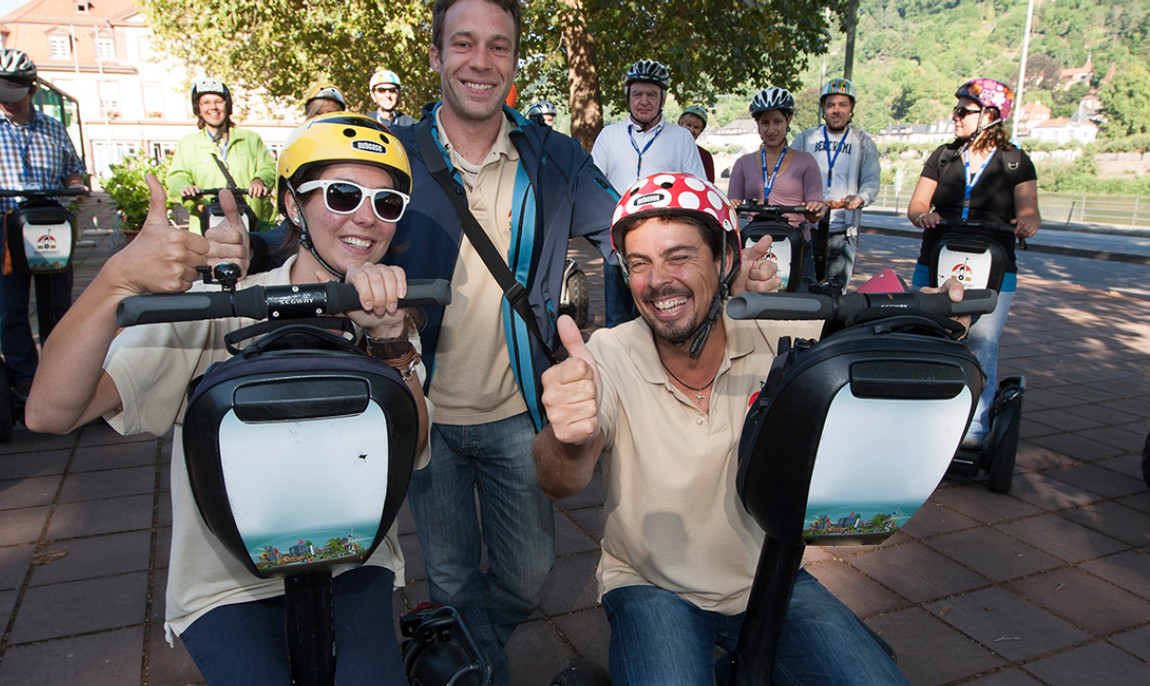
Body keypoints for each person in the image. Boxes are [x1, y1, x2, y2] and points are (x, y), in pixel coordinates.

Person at [24, 112, 429, 684]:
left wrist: (390, 345)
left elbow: (414, 450)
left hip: (350, 560)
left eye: (386, 204)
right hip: (227, 580)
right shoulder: (217, 308)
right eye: (342, 194)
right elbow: (51, 412)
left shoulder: (387, 313)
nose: (366, 217)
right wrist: (117, 280)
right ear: (293, 205)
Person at [533, 172, 942, 686]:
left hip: (769, 574)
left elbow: (864, 333)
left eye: (680, 257)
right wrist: (566, 435)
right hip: (651, 583)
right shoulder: (608, 356)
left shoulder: (776, 333)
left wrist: (926, 316)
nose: (658, 279)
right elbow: (559, 481)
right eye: (639, 263)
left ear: (725, 260)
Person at [380, 1, 618, 682]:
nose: (480, 61)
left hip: (521, 412)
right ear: (435, 56)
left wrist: (718, 251)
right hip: (427, 414)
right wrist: (242, 246)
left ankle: (457, 647)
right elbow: (322, 230)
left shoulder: (553, 156)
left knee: (530, 571)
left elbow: (631, 228)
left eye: (498, 46)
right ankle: (477, 668)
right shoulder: (392, 153)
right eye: (462, 43)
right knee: (451, 575)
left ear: (514, 60)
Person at [907, 78, 1040, 449]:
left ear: (990, 116)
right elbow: (916, 206)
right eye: (956, 110)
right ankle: (920, 411)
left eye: (964, 111)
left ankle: (975, 424)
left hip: (993, 263)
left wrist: (1027, 223)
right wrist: (924, 217)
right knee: (928, 332)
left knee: (982, 340)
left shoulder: (1014, 161)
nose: (956, 117)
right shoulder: (943, 156)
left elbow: (1030, 212)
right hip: (938, 257)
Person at [0, 48, 86, 401]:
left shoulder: (52, 127)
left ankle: (59, 372)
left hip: (49, 226)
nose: (10, 103)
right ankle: (23, 378)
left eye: (17, 96)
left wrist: (75, 185)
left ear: (32, 90)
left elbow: (72, 169)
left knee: (57, 305)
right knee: (10, 307)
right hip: (6, 228)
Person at [592, 59, 705, 326]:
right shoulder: (609, 136)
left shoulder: (681, 138)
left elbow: (696, 188)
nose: (644, 101)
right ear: (628, 97)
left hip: (664, 243)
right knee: (617, 319)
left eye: (651, 94)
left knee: (661, 315)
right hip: (618, 242)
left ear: (663, 99)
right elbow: (593, 186)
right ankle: (616, 367)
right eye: (637, 94)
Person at [790, 78, 880, 288]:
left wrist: (860, 197)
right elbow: (790, 173)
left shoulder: (862, 142)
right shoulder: (807, 138)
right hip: (808, 228)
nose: (836, 110)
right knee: (804, 288)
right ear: (823, 108)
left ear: (851, 109)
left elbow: (872, 179)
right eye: (830, 105)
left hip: (843, 230)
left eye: (842, 105)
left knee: (836, 291)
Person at [165, 78, 277, 232]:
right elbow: (176, 176)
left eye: (218, 101)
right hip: (209, 225)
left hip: (254, 224)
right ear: (198, 108)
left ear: (228, 105)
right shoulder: (188, 144)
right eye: (206, 103)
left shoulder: (250, 139)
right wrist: (185, 188)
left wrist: (260, 180)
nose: (213, 107)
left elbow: (268, 167)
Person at [727, 87, 825, 234]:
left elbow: (816, 214)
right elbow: (730, 213)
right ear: (758, 125)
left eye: (777, 121)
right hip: (755, 240)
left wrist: (814, 208)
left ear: (788, 120)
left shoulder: (806, 161)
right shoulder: (743, 163)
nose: (771, 130)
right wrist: (732, 205)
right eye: (765, 123)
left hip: (794, 241)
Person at [678, 105, 715, 182]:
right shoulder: (667, 148)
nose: (691, 130)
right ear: (680, 124)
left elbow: (709, 185)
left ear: (701, 131)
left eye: (696, 127)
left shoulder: (705, 156)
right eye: (688, 125)